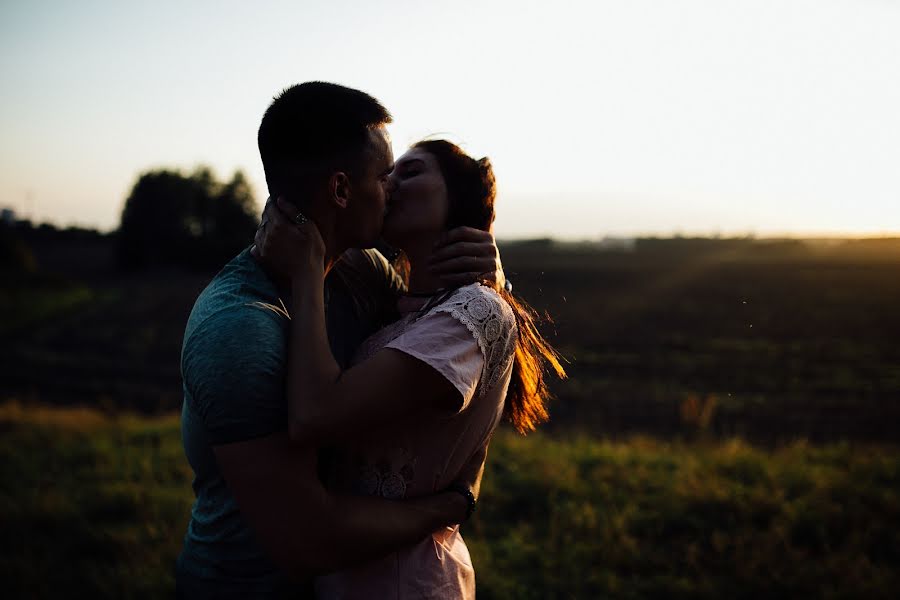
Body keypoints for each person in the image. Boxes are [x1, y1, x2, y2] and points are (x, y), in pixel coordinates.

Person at [176, 83, 505, 598]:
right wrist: (444, 507)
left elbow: (444, 330)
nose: (392, 187)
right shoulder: (238, 327)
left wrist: (490, 277)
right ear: (340, 191)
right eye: (383, 174)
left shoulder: (365, 276)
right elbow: (306, 543)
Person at [254, 139, 566, 598]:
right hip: (343, 576)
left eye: (412, 171)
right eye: (387, 174)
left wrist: (307, 274)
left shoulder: (471, 314)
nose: (389, 184)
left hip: (407, 582)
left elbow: (315, 415)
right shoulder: (397, 299)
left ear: (456, 201)